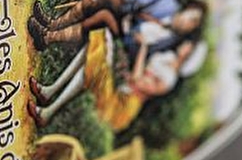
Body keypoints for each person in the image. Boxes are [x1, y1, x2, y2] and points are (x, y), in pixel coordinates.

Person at [27, 29, 196, 133]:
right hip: (123, 90)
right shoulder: (166, 57)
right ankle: (48, 94)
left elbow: (138, 81)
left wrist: (143, 48)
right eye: (187, 44)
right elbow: (138, 76)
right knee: (97, 48)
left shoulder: (170, 80)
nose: (185, 46)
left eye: (189, 49)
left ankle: (47, 110)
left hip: (121, 106)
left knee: (97, 61)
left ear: (188, 57)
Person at [27, 0, 207, 53]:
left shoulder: (170, 40)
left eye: (191, 24)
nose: (187, 21)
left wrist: (136, 40)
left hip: (126, 36)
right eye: (190, 16)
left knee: (104, 16)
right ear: (188, 9)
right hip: (129, 12)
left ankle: (48, 38)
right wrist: (120, 4)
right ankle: (53, 23)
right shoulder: (168, 1)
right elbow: (139, 1)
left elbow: (141, 50)